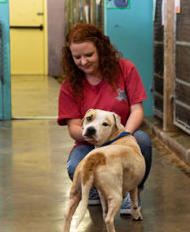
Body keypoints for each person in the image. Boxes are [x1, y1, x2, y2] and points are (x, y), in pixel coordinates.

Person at [57, 23, 152, 214]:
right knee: (75, 167)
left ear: (101, 49)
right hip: (88, 144)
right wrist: (90, 136)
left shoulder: (125, 69)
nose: (83, 61)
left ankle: (131, 191)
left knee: (142, 141)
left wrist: (125, 135)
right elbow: (73, 127)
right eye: (77, 57)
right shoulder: (70, 85)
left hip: (121, 137)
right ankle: (95, 189)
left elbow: (137, 110)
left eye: (89, 55)